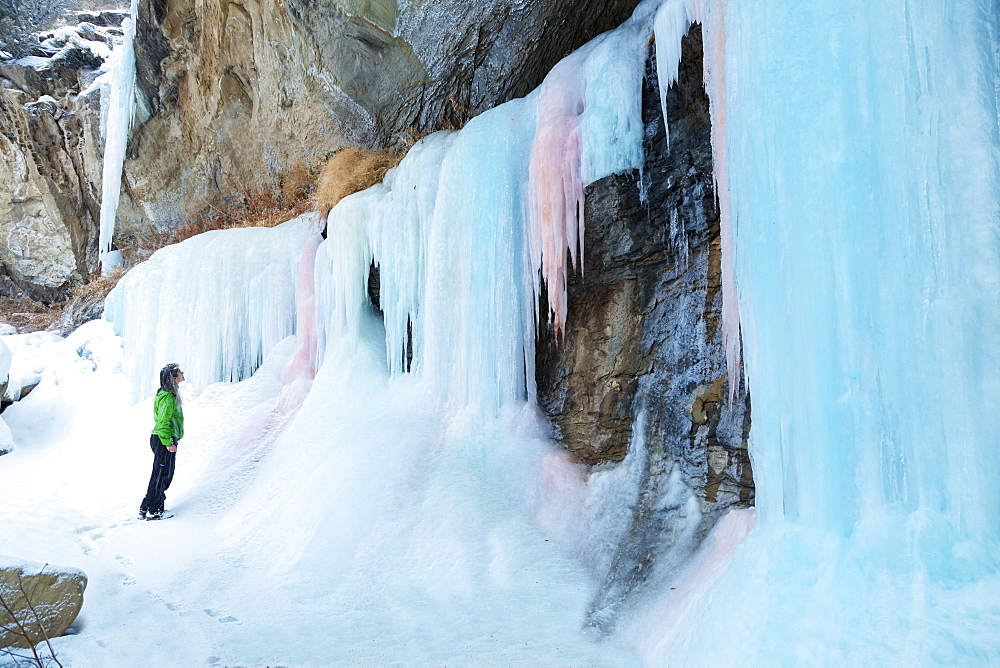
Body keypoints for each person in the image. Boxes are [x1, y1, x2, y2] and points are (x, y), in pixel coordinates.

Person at [139, 363, 185, 520]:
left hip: (161, 438)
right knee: (162, 476)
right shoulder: (168, 397)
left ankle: (146, 507)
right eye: (180, 372)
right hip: (163, 439)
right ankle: (155, 511)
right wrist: (168, 442)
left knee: (160, 475)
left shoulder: (166, 394)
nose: (183, 373)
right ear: (173, 378)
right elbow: (163, 421)